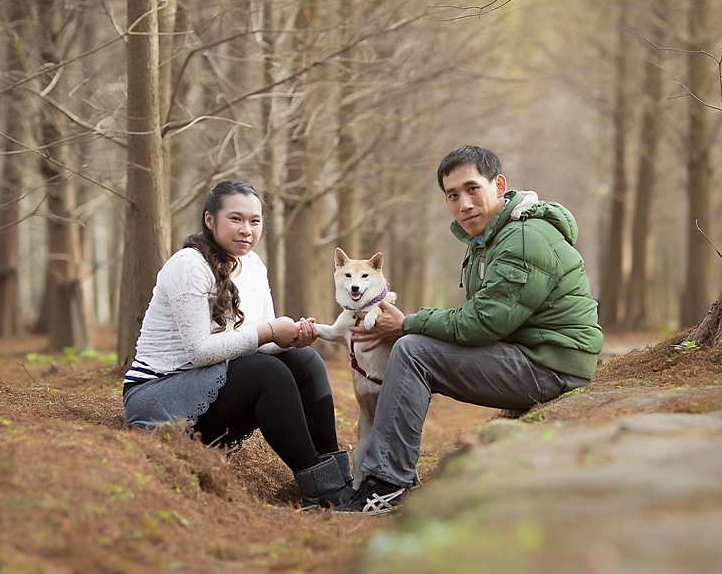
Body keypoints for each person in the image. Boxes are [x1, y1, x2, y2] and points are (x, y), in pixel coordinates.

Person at [336, 146, 603, 514]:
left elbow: (484, 322)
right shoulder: (491, 239)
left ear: (499, 185)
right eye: (453, 195)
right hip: (533, 354)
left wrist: (407, 323)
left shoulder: (524, 239)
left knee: (413, 350)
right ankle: (389, 473)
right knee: (415, 344)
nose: (464, 204)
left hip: (550, 367)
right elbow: (485, 316)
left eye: (472, 189)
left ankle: (387, 482)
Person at [122, 180, 351, 508]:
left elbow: (262, 343)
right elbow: (200, 351)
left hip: (214, 379)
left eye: (255, 221)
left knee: (305, 360)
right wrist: (270, 331)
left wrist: (292, 338)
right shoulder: (189, 265)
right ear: (209, 220)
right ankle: (321, 491)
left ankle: (340, 480)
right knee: (267, 373)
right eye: (236, 219)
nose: (247, 230)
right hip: (160, 393)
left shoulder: (254, 265)